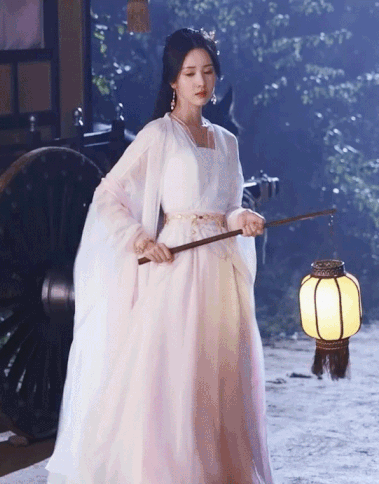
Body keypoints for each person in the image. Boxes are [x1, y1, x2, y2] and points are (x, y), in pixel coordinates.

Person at [45, 28, 275, 484]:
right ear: (173, 80)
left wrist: (243, 217)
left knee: (220, 375)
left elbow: (228, 207)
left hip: (220, 273)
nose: (200, 82)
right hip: (177, 272)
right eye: (189, 73)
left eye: (207, 71)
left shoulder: (226, 141)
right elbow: (110, 193)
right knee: (175, 379)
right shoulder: (159, 135)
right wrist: (138, 238)